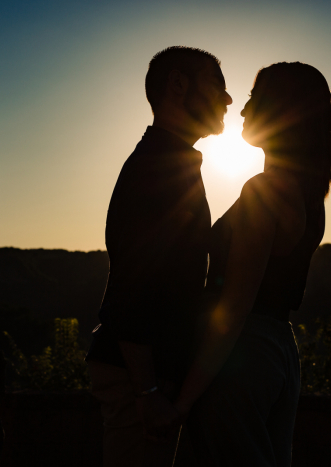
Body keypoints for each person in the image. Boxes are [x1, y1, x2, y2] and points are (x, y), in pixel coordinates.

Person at [170, 62, 331, 466]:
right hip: (279, 348)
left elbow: (237, 304)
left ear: (282, 110)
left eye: (252, 98)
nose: (242, 110)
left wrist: (182, 400)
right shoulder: (308, 195)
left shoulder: (265, 190)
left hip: (241, 354)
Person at [85, 46, 232, 467]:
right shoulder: (157, 168)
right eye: (217, 85)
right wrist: (147, 392)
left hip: (147, 375)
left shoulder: (173, 161)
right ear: (178, 84)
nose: (227, 99)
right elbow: (134, 283)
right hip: (139, 378)